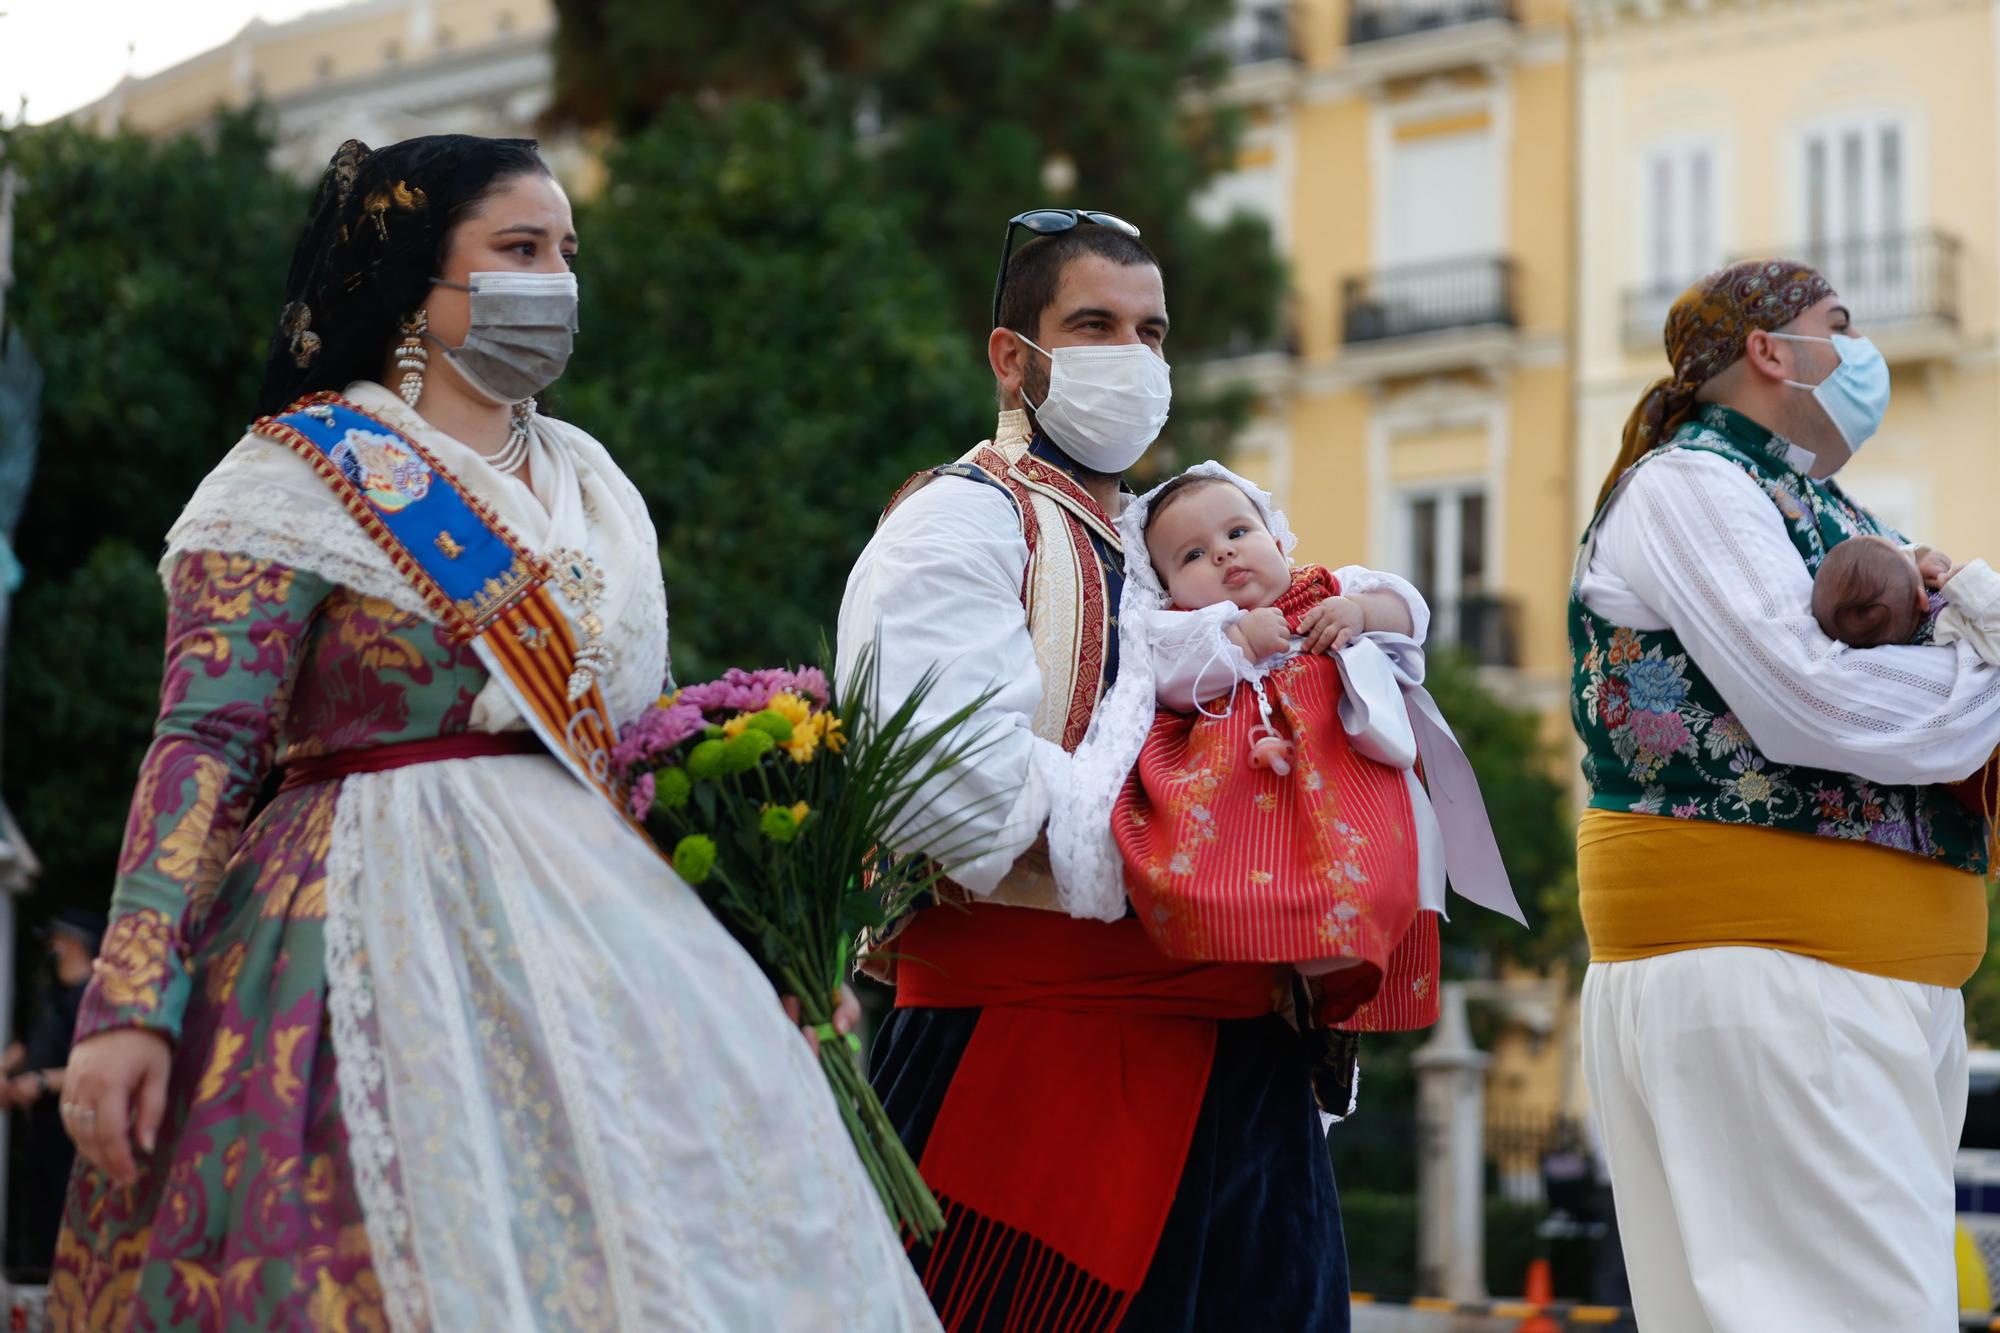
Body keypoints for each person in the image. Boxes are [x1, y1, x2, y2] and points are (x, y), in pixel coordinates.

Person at [49, 134, 935, 1332]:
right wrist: (130, 997)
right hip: (354, 933)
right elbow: (204, 742)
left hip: (615, 942)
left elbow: (645, 741)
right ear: (416, 277)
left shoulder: (594, 481)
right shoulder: (296, 471)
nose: (554, 281)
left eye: (566, 253)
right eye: (517, 250)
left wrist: (772, 939)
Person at [839, 211, 1349, 1331]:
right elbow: (940, 780)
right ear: (1011, 356)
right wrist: (1187, 843)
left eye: (1151, 330)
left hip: (1242, 1068)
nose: (1133, 355)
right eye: (1094, 324)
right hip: (1031, 1056)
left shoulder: (1169, 548)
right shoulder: (954, 525)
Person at [1572, 257, 2000, 1331]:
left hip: (1839, 990)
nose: (1859, 352)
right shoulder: (1693, 482)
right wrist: (1985, 681)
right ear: (1768, 351)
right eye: (1836, 325)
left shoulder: (1811, 500)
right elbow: (1810, 702)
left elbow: (1851, 697)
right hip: (1773, 980)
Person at [1096, 463, 1521, 1028]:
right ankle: (1246, 940)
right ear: (1166, 587)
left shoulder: (1325, 589)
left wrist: (1361, 613)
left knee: (1369, 863)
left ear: (1276, 539)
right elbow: (1164, 674)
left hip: (1343, 778)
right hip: (1236, 786)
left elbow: (1408, 608)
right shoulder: (1184, 624)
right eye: (1192, 556)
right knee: (1224, 864)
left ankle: (1336, 973)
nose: (1222, 554)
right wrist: (1237, 644)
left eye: (1236, 533)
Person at [1, 910, 100, 1276]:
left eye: (55, 941)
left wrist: (42, 1082)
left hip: (77, 1127)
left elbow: (100, 1066)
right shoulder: (50, 995)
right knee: (39, 1206)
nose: (50, 949)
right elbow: (26, 1044)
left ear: (74, 943)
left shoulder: (94, 996)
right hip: (40, 1126)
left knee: (68, 1206)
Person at [1812, 533, 2000, 664]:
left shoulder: (1893, 631)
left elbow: (1883, 564)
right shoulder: (1946, 624)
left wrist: (1915, 560)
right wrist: (1972, 581)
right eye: (1907, 557)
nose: (1907, 553)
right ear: (1922, 600)